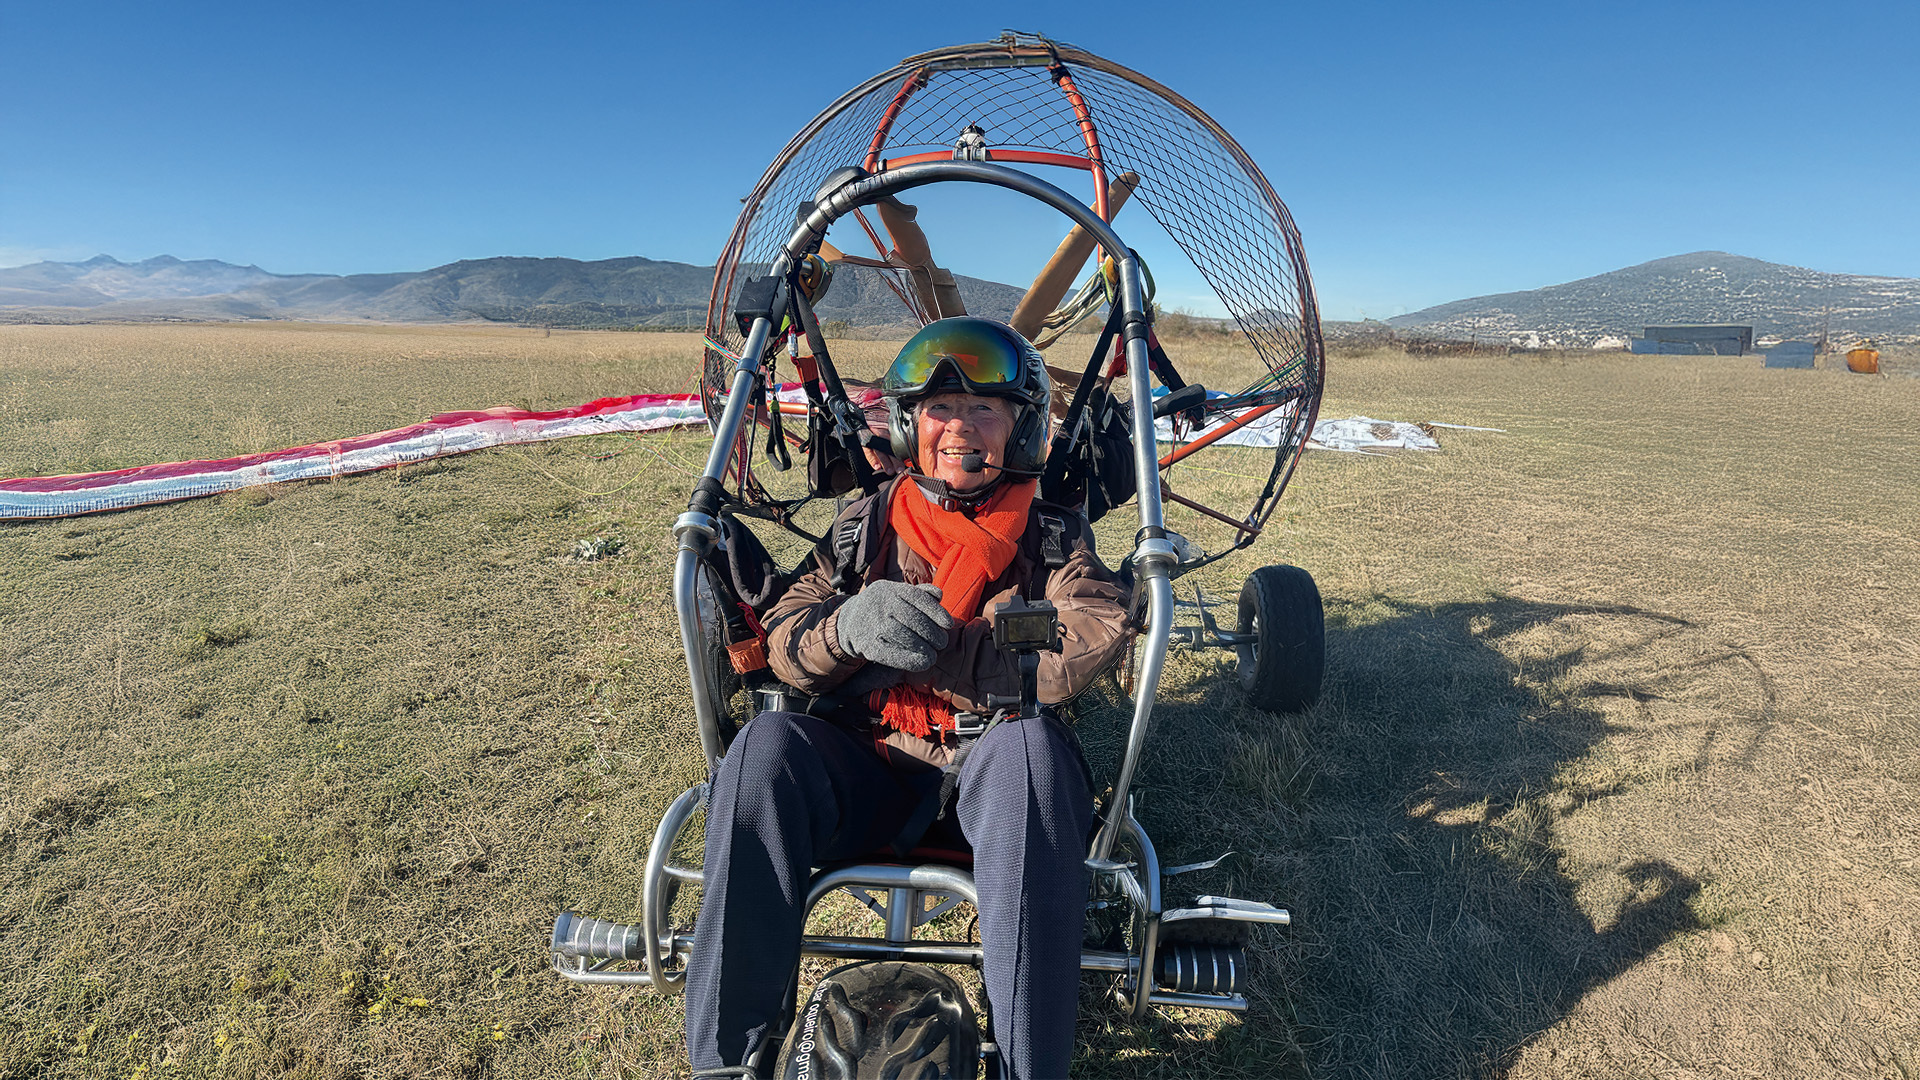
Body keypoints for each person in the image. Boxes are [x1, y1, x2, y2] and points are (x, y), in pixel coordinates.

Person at [685, 317, 1131, 1079]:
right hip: (864, 762)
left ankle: (1032, 1066)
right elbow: (788, 636)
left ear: (1021, 428)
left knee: (1030, 754)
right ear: (906, 425)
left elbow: (1088, 632)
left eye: (984, 409)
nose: (961, 428)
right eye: (940, 411)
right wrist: (848, 630)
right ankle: (726, 1064)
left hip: (988, 780)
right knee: (763, 749)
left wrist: (958, 649)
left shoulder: (1054, 534)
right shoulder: (865, 526)